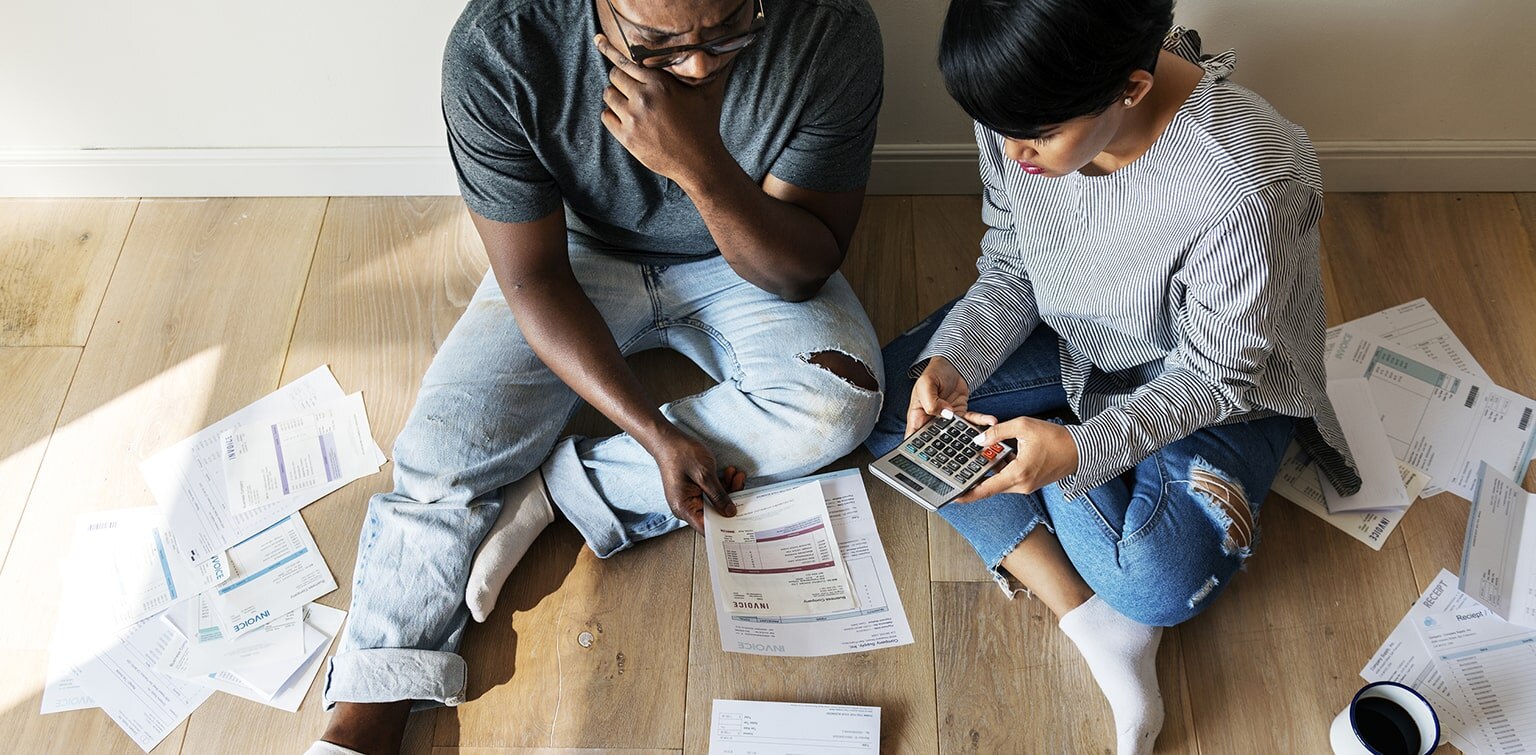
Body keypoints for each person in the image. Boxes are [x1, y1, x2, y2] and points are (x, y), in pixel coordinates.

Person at [310, 0, 885, 752]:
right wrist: (652, 433)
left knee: (841, 403)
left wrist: (698, 164)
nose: (700, 64)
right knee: (440, 452)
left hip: (747, 247)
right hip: (574, 256)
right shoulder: (499, 48)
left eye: (728, 33)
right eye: (657, 44)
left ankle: (560, 491)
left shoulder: (829, 25)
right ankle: (367, 702)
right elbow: (534, 281)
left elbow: (804, 268)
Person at [864, 1, 1360, 753]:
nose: (1012, 152)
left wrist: (1075, 450)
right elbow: (1012, 263)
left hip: (1218, 393)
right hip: (1079, 338)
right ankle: (1092, 620)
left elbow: (1220, 374)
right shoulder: (1020, 104)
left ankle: (1074, 497)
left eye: (1036, 137)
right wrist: (954, 359)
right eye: (999, 128)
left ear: (1131, 87)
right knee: (884, 394)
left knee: (1156, 583)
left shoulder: (1248, 183)